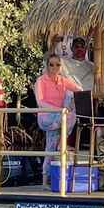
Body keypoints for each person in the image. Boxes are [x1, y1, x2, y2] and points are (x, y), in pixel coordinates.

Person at [34, 53, 81, 184]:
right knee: (66, 114)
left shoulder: (63, 80)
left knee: (50, 146)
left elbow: (80, 90)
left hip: (61, 117)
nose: (54, 67)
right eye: (51, 64)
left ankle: (44, 180)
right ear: (47, 66)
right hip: (46, 117)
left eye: (57, 64)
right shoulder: (41, 81)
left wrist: (71, 105)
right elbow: (40, 102)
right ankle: (63, 141)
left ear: (61, 66)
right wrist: (59, 110)